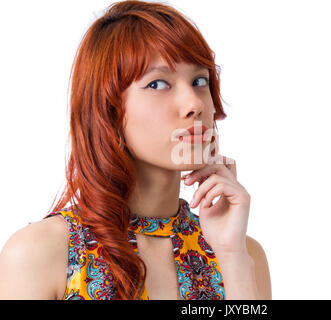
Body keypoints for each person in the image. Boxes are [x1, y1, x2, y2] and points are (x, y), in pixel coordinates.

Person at [0, 0, 271, 300]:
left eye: (199, 81)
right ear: (109, 111)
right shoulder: (40, 254)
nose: (194, 104)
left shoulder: (243, 254)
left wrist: (232, 257)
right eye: (157, 84)